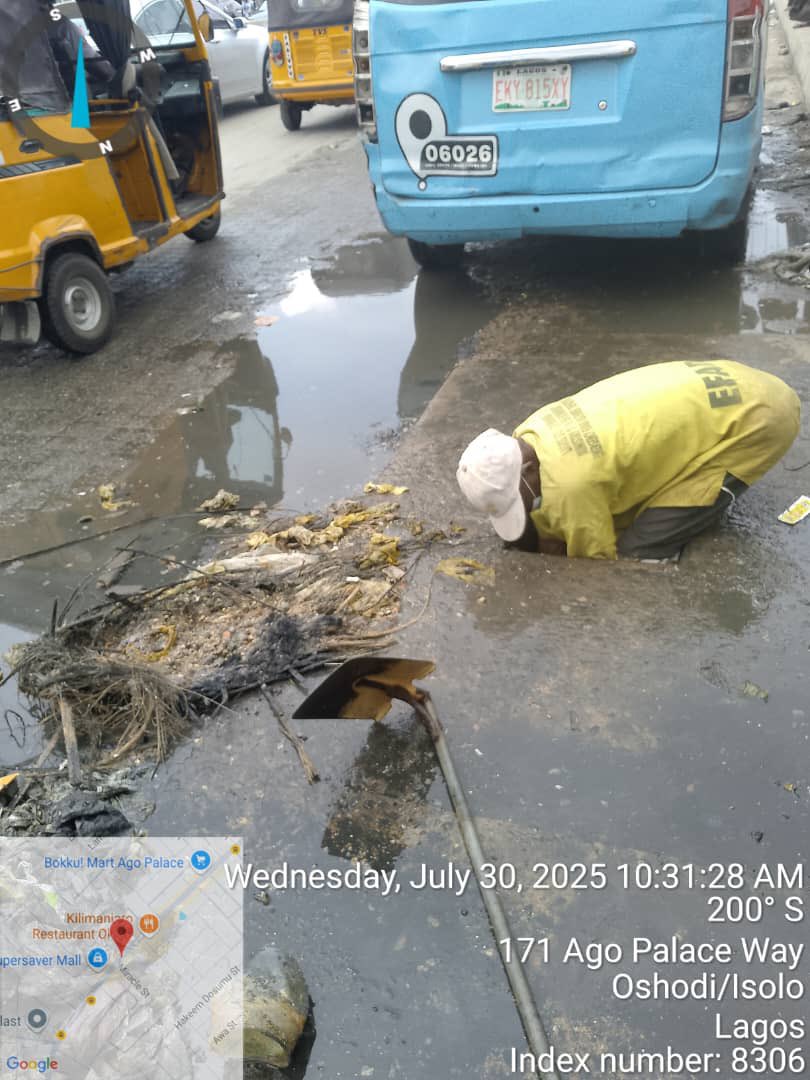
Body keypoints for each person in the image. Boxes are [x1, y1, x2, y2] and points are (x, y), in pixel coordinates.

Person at [456, 360, 801, 560]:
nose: (523, 507)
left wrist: (555, 545)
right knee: (616, 496)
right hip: (732, 378)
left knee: (636, 549)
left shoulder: (573, 487)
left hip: (761, 418)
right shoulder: (531, 428)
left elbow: (597, 562)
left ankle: (700, 514)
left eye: (517, 500)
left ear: (527, 469)